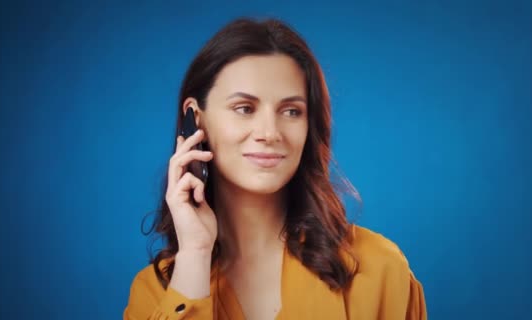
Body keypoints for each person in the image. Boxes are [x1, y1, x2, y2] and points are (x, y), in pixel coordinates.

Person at [124, 17, 427, 320]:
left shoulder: (380, 269)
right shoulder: (154, 294)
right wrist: (195, 256)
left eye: (291, 111)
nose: (270, 132)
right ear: (195, 118)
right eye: (245, 108)